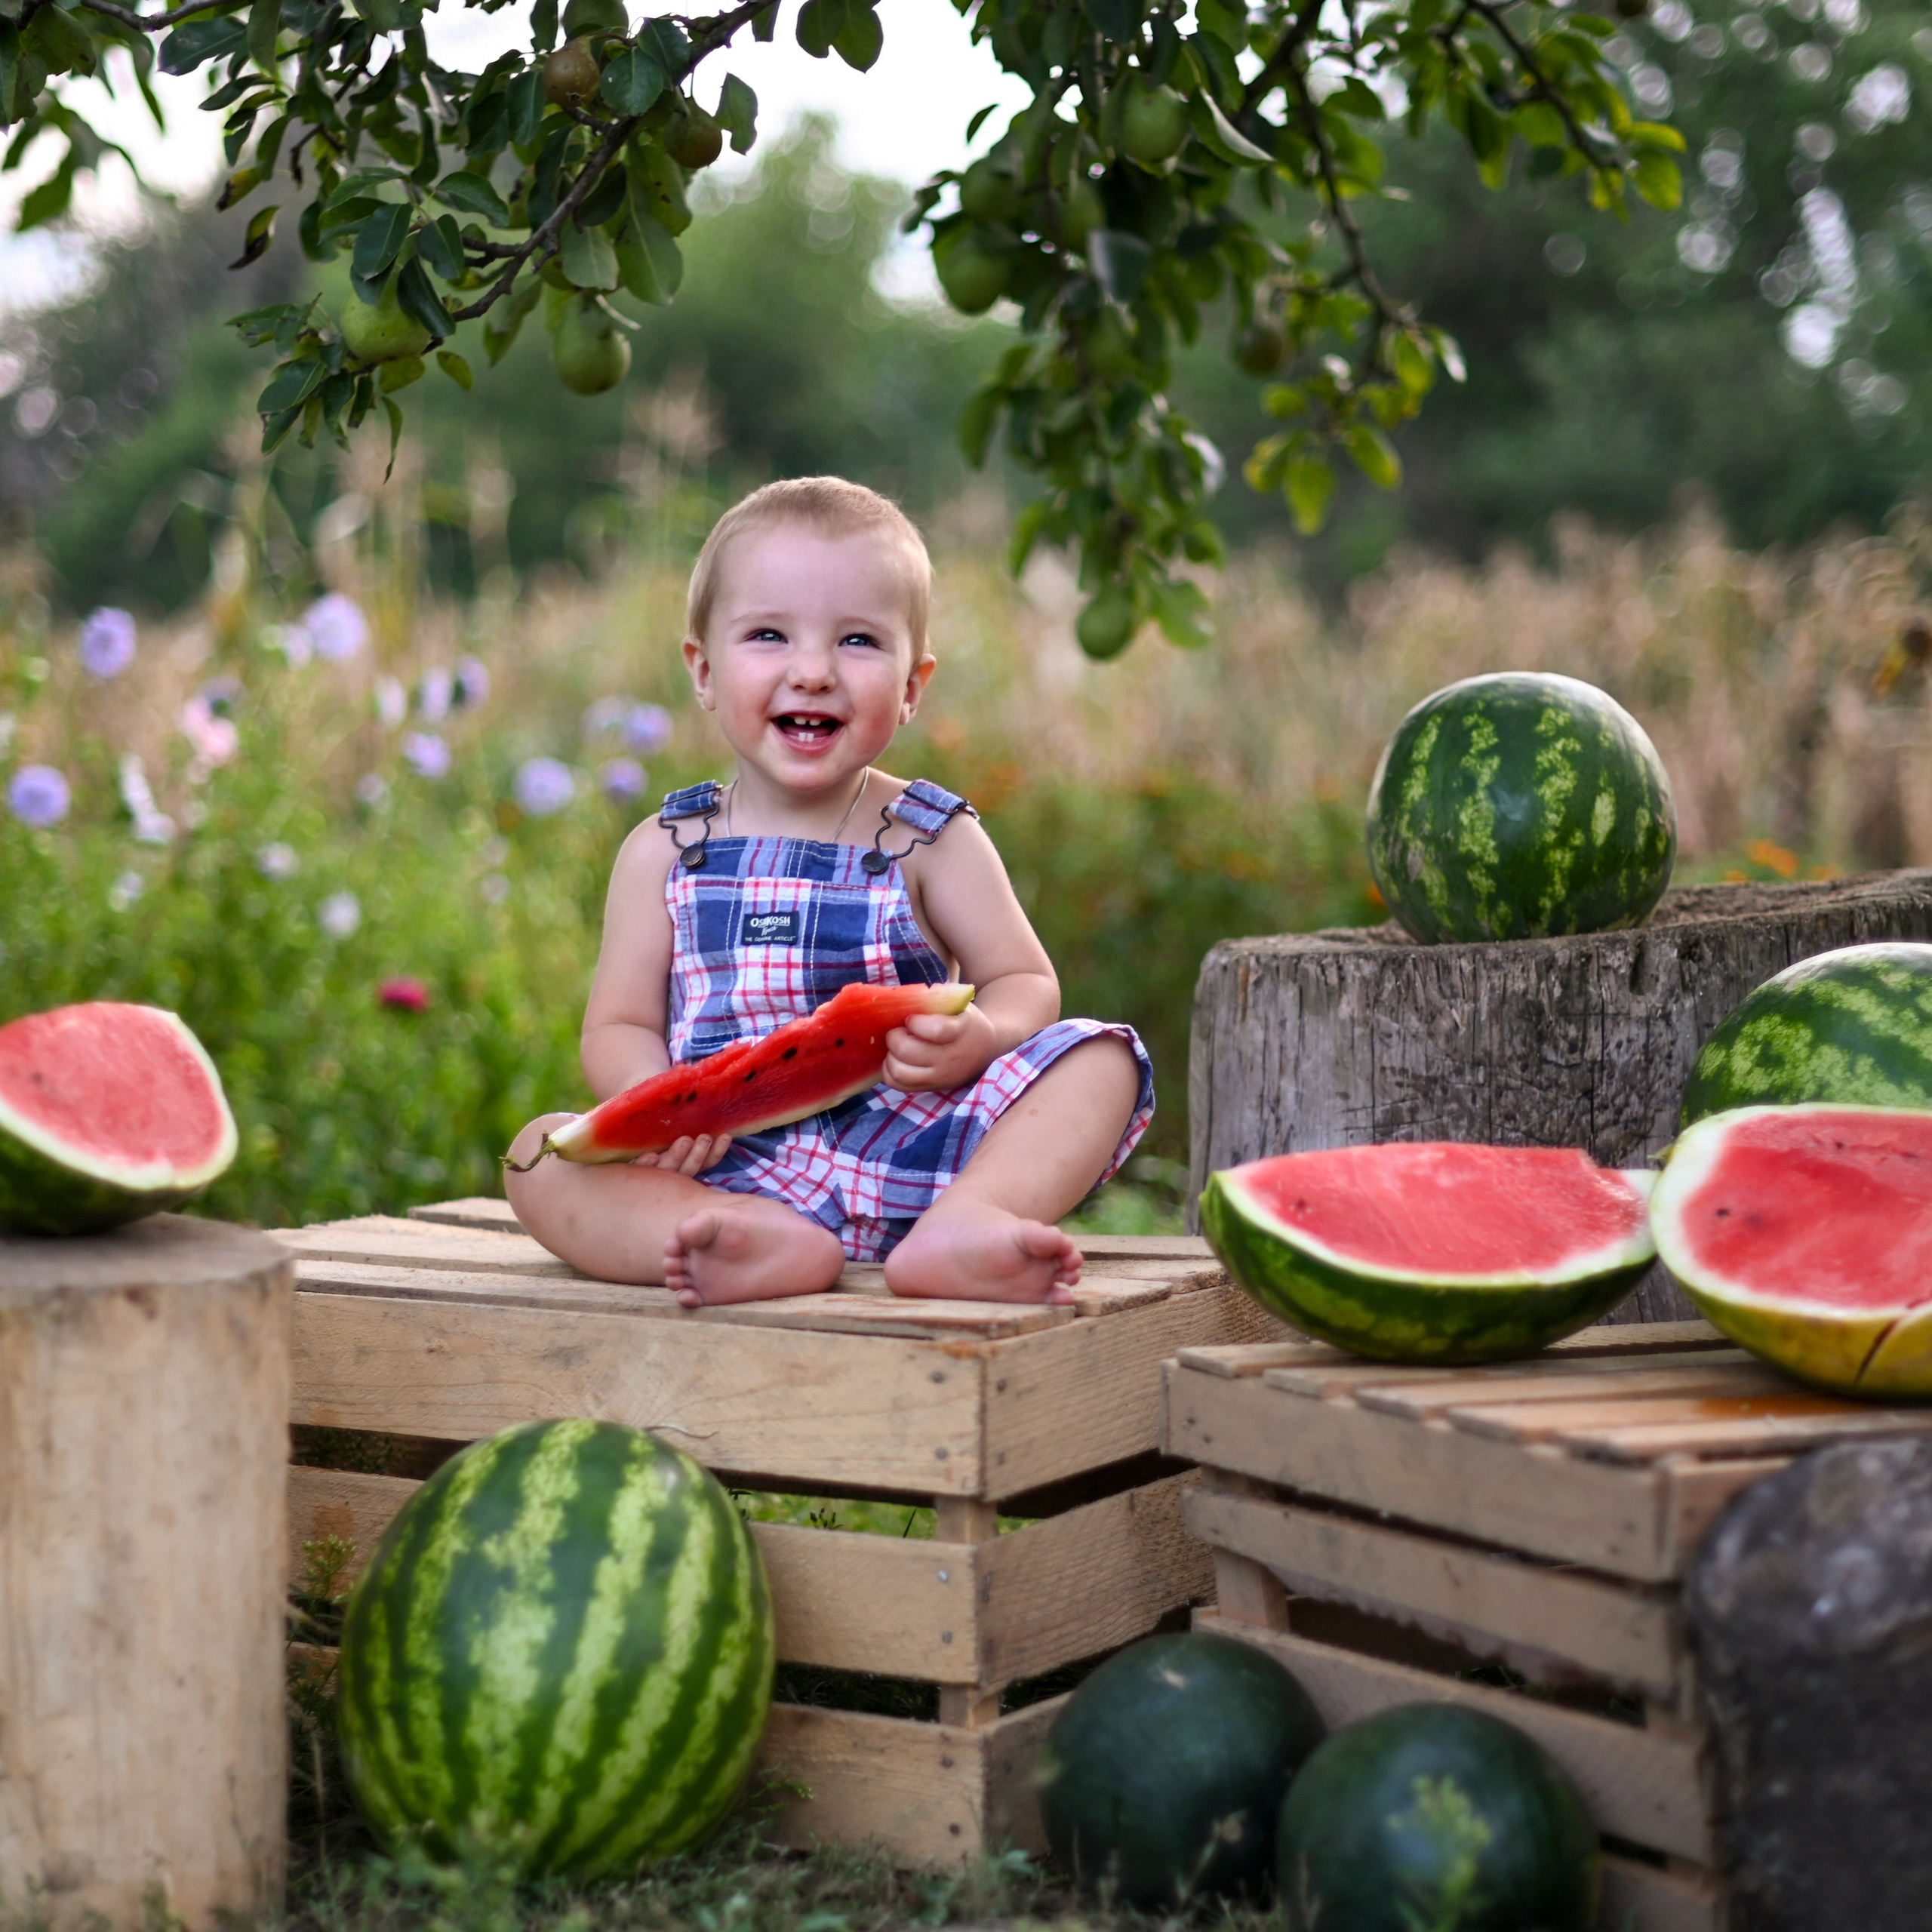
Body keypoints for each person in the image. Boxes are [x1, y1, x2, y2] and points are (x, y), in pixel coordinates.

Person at [506, 477, 1153, 1309]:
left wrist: (982, 1035)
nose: (812, 672)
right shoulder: (664, 852)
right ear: (702, 670)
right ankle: (744, 1244)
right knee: (537, 1158)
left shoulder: (929, 834)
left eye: (857, 641)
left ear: (913, 685)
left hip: (920, 1141)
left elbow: (1025, 979)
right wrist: (664, 1105)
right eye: (769, 635)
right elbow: (620, 1022)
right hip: (731, 1167)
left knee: (1102, 1056)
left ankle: (969, 1221)